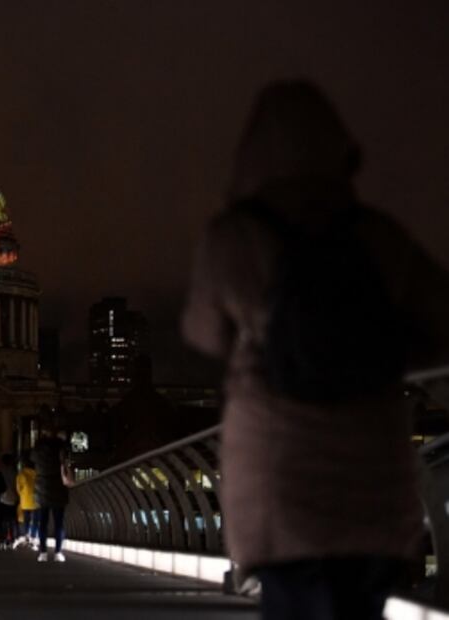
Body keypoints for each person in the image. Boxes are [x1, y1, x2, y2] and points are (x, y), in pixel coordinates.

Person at [182, 80, 449, 620]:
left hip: (279, 473)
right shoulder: (377, 234)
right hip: (376, 468)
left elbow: (203, 332)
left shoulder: (234, 236)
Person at [31, 425, 69, 562]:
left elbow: (32, 459)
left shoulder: (37, 448)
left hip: (42, 487)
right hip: (58, 485)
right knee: (59, 522)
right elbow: (66, 463)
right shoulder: (61, 446)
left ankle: (43, 553)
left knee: (43, 522)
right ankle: (58, 552)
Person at [15, 457, 39, 549]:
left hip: (25, 501)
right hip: (36, 500)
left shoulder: (21, 474)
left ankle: (26, 535)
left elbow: (18, 488)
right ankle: (33, 536)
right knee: (36, 520)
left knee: (26, 520)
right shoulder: (37, 474)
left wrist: (22, 495)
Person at [0, 454, 20, 549]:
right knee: (12, 521)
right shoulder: (15, 473)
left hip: (2, 499)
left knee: (2, 521)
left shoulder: (0, 472)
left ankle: (2, 540)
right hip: (13, 499)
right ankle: (12, 540)